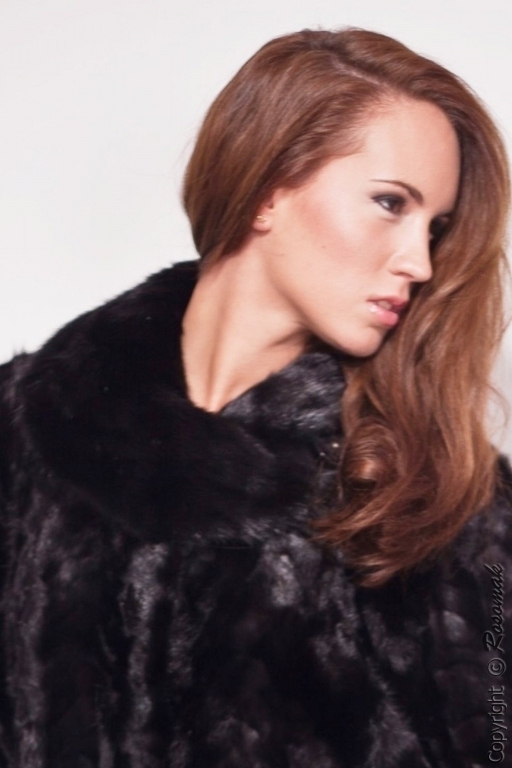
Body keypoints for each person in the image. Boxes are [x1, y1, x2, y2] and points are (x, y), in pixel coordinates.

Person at [0, 26, 510, 768]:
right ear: (270, 186)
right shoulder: (25, 422)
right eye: (389, 203)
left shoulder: (437, 493)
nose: (420, 262)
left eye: (435, 228)